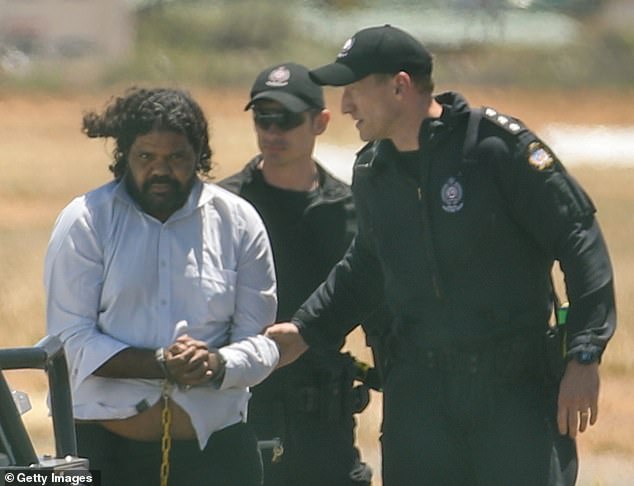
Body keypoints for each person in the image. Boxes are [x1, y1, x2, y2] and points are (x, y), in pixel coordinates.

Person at [265, 25, 616, 486]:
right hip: (420, 397)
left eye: (353, 90)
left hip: (512, 391)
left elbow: (579, 238)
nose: (345, 104)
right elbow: (366, 267)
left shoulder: (494, 150)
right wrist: (304, 330)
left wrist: (584, 356)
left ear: (400, 85)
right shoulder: (373, 170)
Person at [44, 87, 279, 486]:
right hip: (105, 452)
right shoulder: (86, 220)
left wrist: (216, 363)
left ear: (198, 156)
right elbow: (69, 342)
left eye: (176, 158)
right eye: (146, 157)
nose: (160, 170)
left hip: (217, 457)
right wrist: (162, 364)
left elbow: (261, 343)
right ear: (124, 157)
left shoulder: (238, 222)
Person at [220, 62, 377, 486]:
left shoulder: (350, 210)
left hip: (325, 419)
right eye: (262, 119)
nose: (273, 132)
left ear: (320, 122)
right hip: (240, 409)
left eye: (286, 119)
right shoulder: (223, 208)